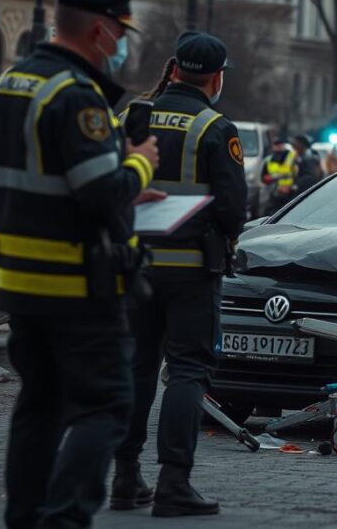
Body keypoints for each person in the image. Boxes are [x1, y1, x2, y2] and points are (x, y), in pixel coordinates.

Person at [0, 0, 160, 529]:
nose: (121, 42)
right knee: (106, 406)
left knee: (39, 405)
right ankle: (66, 518)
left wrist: (24, 206)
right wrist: (140, 164)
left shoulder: (11, 81)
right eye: (121, 30)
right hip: (78, 282)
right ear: (100, 30)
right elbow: (101, 193)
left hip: (24, 283)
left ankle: (25, 518)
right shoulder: (77, 95)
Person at [112, 32, 247, 517]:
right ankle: (174, 483)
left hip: (131, 266)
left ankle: (125, 477)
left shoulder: (130, 115)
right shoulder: (214, 126)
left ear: (172, 68)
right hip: (191, 271)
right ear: (216, 77)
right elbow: (233, 210)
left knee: (135, 368)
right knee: (188, 371)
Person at [260, 138, 296, 215]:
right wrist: (271, 179)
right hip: (274, 192)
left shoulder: (291, 157)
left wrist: (290, 186)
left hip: (289, 191)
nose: (278, 146)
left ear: (283, 145)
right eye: (276, 144)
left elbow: (297, 174)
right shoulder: (268, 160)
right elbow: (263, 178)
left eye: (280, 144)